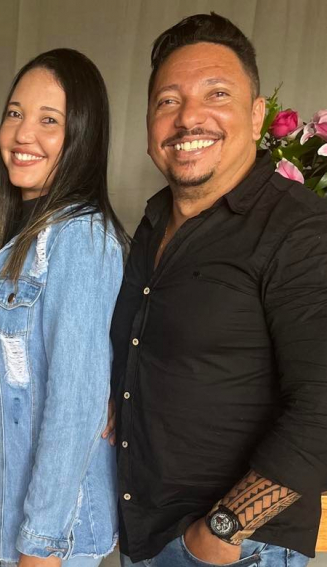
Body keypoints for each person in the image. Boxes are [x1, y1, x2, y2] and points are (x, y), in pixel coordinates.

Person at [110, 13, 327, 567]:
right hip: (149, 534)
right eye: (168, 100)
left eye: (217, 93)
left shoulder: (299, 229)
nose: (188, 118)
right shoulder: (154, 222)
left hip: (234, 547)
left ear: (257, 115)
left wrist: (221, 530)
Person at [0, 49, 127, 567]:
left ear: (81, 135)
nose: (22, 134)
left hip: (53, 538)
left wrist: (41, 548)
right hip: (8, 518)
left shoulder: (80, 237)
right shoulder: (16, 231)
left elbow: (75, 404)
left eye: (48, 120)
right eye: (14, 113)